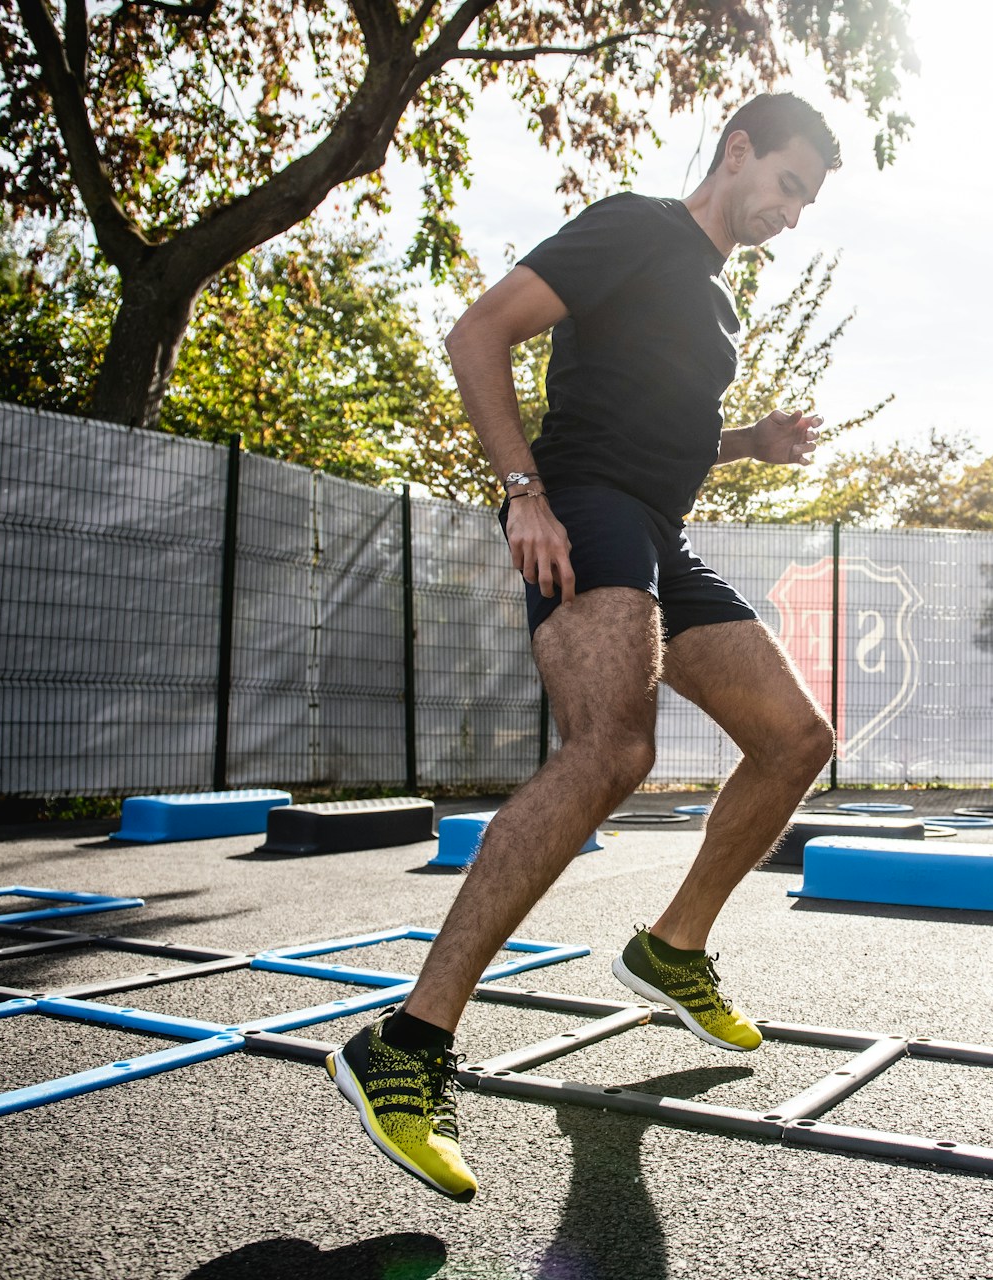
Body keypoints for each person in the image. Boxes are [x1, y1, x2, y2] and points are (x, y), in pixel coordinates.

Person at [325, 93, 844, 1199]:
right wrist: (523, 492)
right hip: (586, 507)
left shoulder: (713, 306)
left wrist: (755, 441)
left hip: (658, 529)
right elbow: (478, 330)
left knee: (797, 737)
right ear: (739, 150)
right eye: (791, 184)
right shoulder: (637, 224)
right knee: (611, 749)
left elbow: (671, 435)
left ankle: (671, 947)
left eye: (810, 201)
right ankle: (406, 1047)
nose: (795, 214)